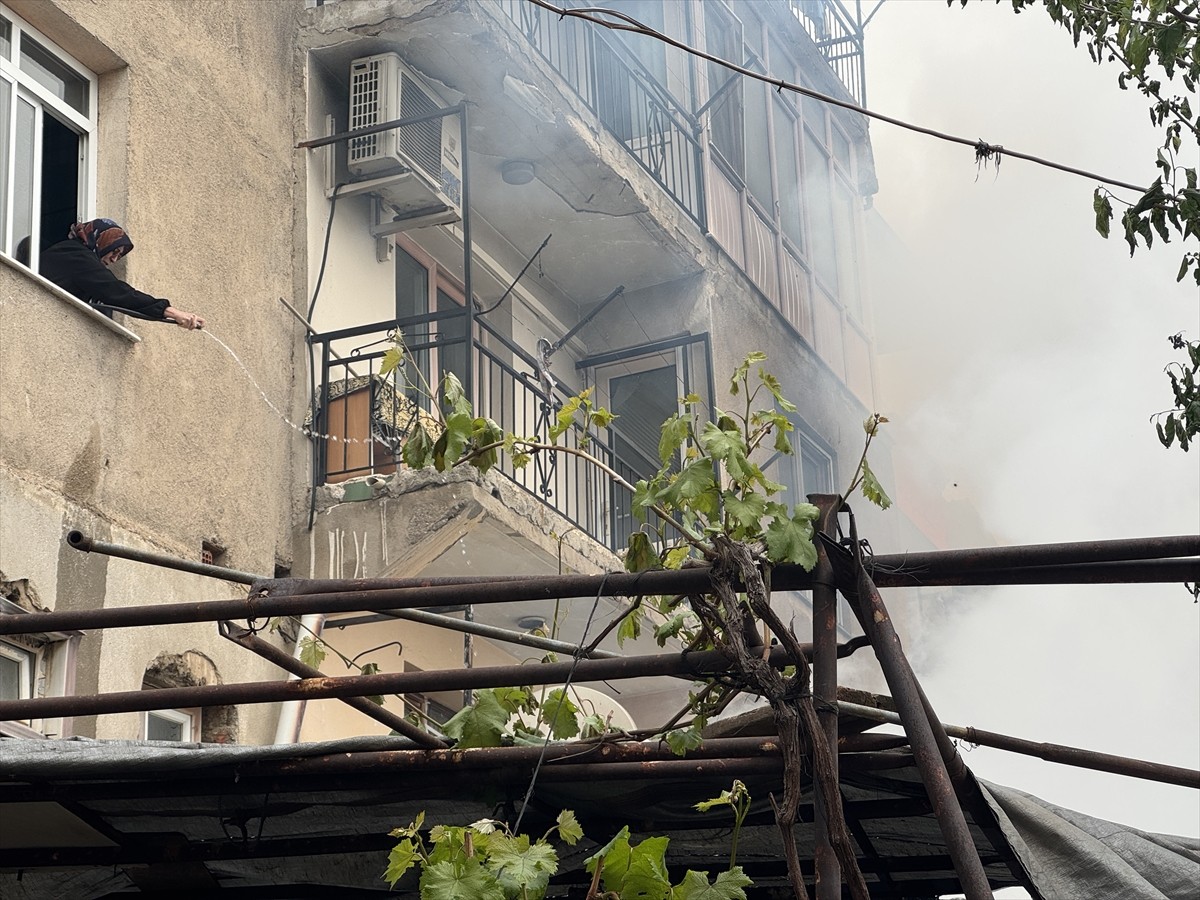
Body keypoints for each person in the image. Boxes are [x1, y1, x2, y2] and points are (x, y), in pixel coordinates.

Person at [39, 218, 205, 330]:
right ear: (100, 239)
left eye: (118, 256)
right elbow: (116, 292)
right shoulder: (75, 255)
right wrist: (172, 312)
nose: (113, 259)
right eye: (114, 250)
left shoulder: (79, 261)